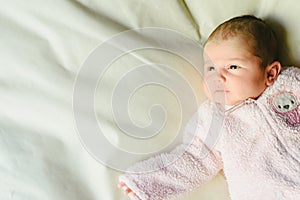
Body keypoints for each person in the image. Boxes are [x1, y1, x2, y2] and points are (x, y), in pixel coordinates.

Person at [117, 15, 300, 200]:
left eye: (233, 67)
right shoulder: (214, 117)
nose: (218, 78)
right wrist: (148, 184)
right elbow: (194, 159)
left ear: (270, 73)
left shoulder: (291, 84)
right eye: (211, 69)